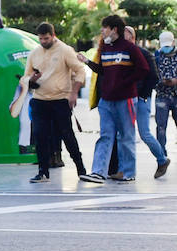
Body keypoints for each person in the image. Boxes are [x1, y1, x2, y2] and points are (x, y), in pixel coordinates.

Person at [78, 15, 149, 183]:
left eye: (105, 27)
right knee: (105, 135)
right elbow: (103, 71)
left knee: (126, 136)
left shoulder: (129, 48)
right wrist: (87, 61)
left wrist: (125, 83)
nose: (102, 31)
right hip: (106, 100)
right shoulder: (105, 48)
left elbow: (143, 69)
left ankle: (128, 172)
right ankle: (98, 172)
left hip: (126, 99)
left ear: (114, 29)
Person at [22, 23, 88, 184]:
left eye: (46, 38)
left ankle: (81, 170)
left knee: (67, 135)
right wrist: (32, 79)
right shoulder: (34, 53)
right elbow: (26, 76)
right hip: (39, 100)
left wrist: (74, 93)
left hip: (60, 100)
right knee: (40, 135)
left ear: (53, 35)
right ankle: (43, 172)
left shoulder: (65, 50)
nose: (43, 42)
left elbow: (80, 70)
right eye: (41, 39)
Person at [127, 26, 169, 177]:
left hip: (141, 98)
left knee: (144, 133)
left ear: (132, 37)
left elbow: (154, 77)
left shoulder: (143, 53)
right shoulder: (122, 54)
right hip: (127, 98)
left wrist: (143, 94)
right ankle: (125, 169)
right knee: (125, 134)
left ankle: (162, 159)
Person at [154, 30, 177, 156]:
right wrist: (162, 81)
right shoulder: (157, 56)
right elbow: (153, 75)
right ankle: (162, 155)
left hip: (175, 95)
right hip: (162, 95)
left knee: (161, 127)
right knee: (161, 127)